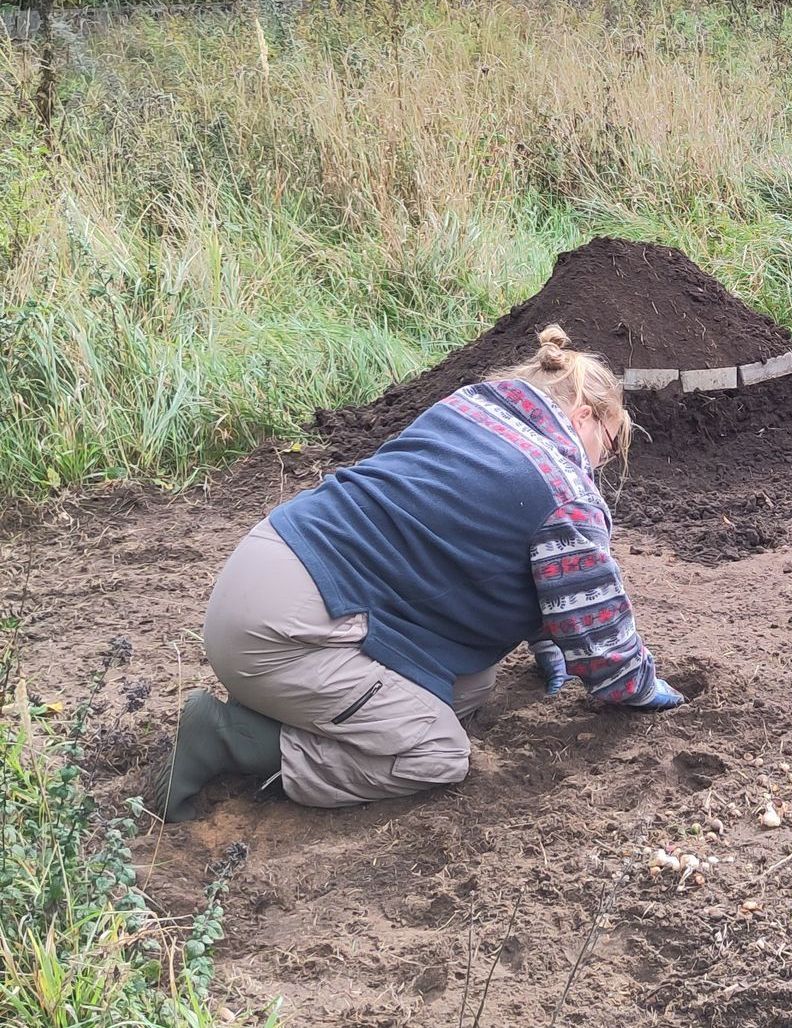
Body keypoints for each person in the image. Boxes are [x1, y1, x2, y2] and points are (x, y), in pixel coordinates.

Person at [151, 326, 683, 820]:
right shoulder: (566, 488)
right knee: (437, 754)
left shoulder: (468, 408)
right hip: (285, 633)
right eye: (610, 446)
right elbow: (599, 635)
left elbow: (468, 541)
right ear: (586, 415)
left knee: (468, 686)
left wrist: (544, 637)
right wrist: (636, 686)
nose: (600, 465)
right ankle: (227, 737)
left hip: (266, 566)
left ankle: (296, 703)